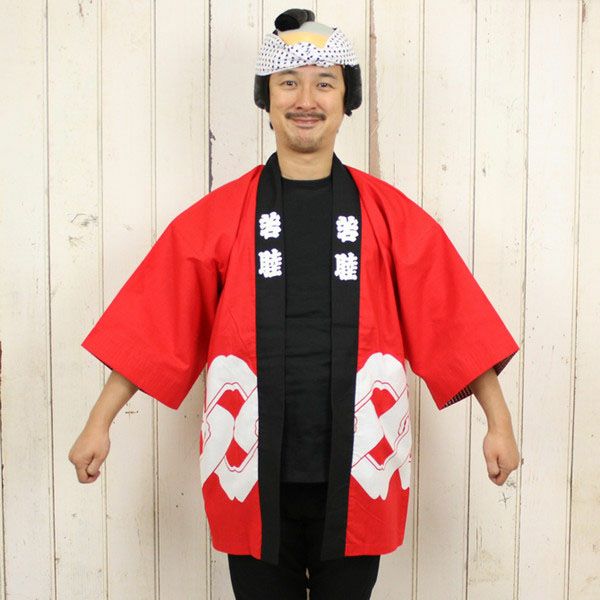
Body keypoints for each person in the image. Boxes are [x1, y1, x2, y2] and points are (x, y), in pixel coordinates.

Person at [69, 8, 521, 599]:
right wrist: (99, 423)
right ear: (267, 98)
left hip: (360, 466)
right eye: (289, 83)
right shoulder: (219, 218)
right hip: (249, 468)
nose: (306, 99)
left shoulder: (390, 217)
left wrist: (498, 422)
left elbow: (451, 316)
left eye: (324, 83)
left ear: (346, 99)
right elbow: (157, 320)